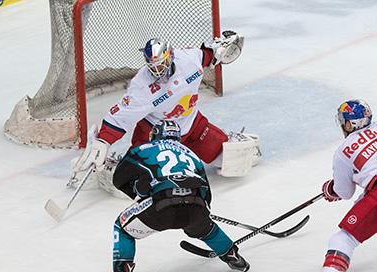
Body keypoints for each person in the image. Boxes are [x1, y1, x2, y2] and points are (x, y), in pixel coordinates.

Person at [71, 30, 258, 185]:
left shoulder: (189, 60)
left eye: (161, 65)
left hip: (192, 126)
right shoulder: (142, 86)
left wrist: (221, 49)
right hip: (154, 135)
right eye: (152, 67)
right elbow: (120, 117)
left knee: (232, 160)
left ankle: (225, 139)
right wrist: (103, 141)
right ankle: (120, 164)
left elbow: (209, 54)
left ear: (171, 56)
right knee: (139, 181)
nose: (157, 71)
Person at [104, 120, 250, 272]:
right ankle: (233, 256)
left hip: (161, 205)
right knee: (207, 229)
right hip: (196, 205)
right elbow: (206, 192)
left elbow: (119, 179)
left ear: (155, 134)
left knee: (122, 227)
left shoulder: (142, 149)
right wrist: (203, 212)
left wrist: (141, 194)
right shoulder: (193, 155)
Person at [299, 99, 376, 272]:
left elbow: (345, 192)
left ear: (350, 125)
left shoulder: (344, 150)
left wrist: (331, 189)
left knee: (344, 238)